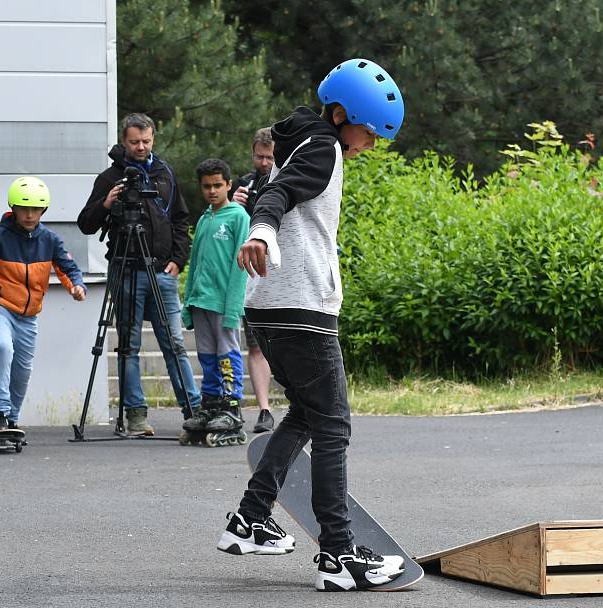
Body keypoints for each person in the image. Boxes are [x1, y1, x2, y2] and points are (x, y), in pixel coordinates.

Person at [216, 58, 406, 591]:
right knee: (332, 425)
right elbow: (276, 198)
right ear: (342, 113)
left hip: (270, 307)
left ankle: (251, 519)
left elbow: (274, 190)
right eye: (368, 132)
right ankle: (340, 556)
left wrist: (265, 232)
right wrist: (262, 233)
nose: (369, 143)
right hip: (300, 309)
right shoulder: (322, 147)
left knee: (305, 414)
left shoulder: (300, 143)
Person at [77, 112, 201, 436]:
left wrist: (179, 259)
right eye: (135, 142)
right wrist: (106, 204)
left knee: (174, 343)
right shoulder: (109, 178)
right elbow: (85, 223)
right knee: (128, 346)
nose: (141, 147)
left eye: (146, 141)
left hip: (161, 270)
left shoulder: (164, 173)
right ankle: (136, 415)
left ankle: (194, 410)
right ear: (124, 141)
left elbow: (180, 219)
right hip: (127, 268)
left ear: (153, 139)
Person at [0, 177, 87, 432]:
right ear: (13, 208)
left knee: (23, 368)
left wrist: (77, 285)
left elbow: (67, 267)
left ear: (43, 210)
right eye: (24, 208)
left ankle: (12, 419)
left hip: (28, 314)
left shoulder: (49, 240)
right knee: (3, 346)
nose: (30, 215)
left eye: (36, 209)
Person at [180, 159, 250, 445]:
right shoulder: (205, 218)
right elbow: (195, 262)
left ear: (229, 185)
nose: (212, 191)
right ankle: (210, 405)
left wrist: (234, 307)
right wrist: (188, 302)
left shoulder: (238, 217)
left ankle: (231, 406)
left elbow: (240, 267)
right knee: (207, 357)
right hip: (201, 302)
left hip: (223, 304)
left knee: (226, 355)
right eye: (206, 186)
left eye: (217, 185)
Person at [229, 128, 276, 433]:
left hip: (280, 273)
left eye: (269, 158)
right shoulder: (243, 185)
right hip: (250, 277)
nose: (263, 163)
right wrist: (233, 202)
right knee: (256, 346)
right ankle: (264, 409)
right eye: (259, 156)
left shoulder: (286, 182)